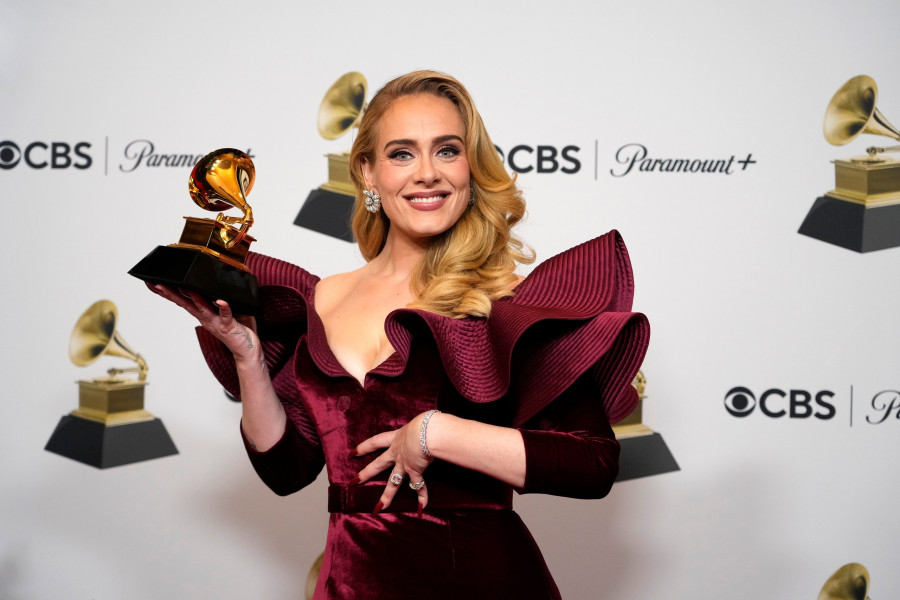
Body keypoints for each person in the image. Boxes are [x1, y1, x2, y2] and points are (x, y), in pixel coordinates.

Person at [147, 70, 649, 599]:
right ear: (367, 172)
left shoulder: (505, 303)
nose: (427, 173)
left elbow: (593, 465)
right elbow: (287, 471)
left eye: (448, 151)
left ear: (471, 169)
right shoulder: (322, 299)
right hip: (351, 582)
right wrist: (249, 360)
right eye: (402, 154)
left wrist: (436, 433)